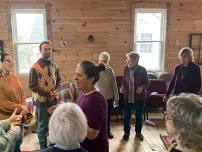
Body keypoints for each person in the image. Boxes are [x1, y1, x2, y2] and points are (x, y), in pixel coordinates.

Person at [29, 41, 61, 150]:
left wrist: (56, 89)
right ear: (40, 51)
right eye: (45, 49)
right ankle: (43, 147)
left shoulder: (54, 65)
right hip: (41, 101)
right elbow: (32, 85)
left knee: (54, 123)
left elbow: (58, 80)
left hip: (53, 100)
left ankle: (53, 143)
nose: (47, 51)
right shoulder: (35, 67)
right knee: (42, 125)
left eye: (49, 49)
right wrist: (48, 93)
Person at [75, 61, 109, 152]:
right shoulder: (83, 93)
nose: (75, 78)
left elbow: (92, 134)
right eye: (76, 74)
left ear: (91, 79)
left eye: (79, 75)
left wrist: (73, 118)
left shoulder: (97, 100)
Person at [0, 52, 27, 152]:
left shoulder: (13, 75)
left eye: (12, 60)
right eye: (8, 60)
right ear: (1, 62)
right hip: (6, 121)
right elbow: (2, 103)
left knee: (18, 144)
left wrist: (24, 106)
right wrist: (21, 107)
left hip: (19, 117)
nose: (11, 63)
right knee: (10, 147)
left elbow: (22, 92)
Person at [120, 52, 148, 141]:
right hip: (128, 96)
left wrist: (141, 87)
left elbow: (146, 82)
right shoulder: (126, 69)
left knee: (139, 116)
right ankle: (126, 132)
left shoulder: (142, 70)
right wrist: (122, 87)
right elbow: (124, 81)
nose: (128, 63)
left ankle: (138, 132)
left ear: (136, 61)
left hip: (139, 97)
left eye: (131, 61)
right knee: (126, 115)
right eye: (128, 61)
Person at [95, 51, 119, 139]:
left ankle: (107, 131)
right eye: (102, 61)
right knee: (98, 117)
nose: (104, 63)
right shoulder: (95, 70)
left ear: (108, 61)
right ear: (99, 60)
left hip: (109, 98)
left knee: (107, 116)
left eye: (106, 61)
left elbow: (114, 85)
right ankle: (98, 133)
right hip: (97, 98)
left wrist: (116, 99)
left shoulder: (111, 70)